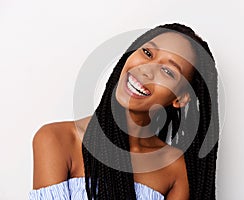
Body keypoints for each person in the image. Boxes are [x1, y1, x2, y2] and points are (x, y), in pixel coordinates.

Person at [29, 23, 219, 200]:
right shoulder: (57, 139)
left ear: (179, 98)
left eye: (168, 72)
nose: (146, 71)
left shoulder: (174, 168)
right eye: (147, 53)